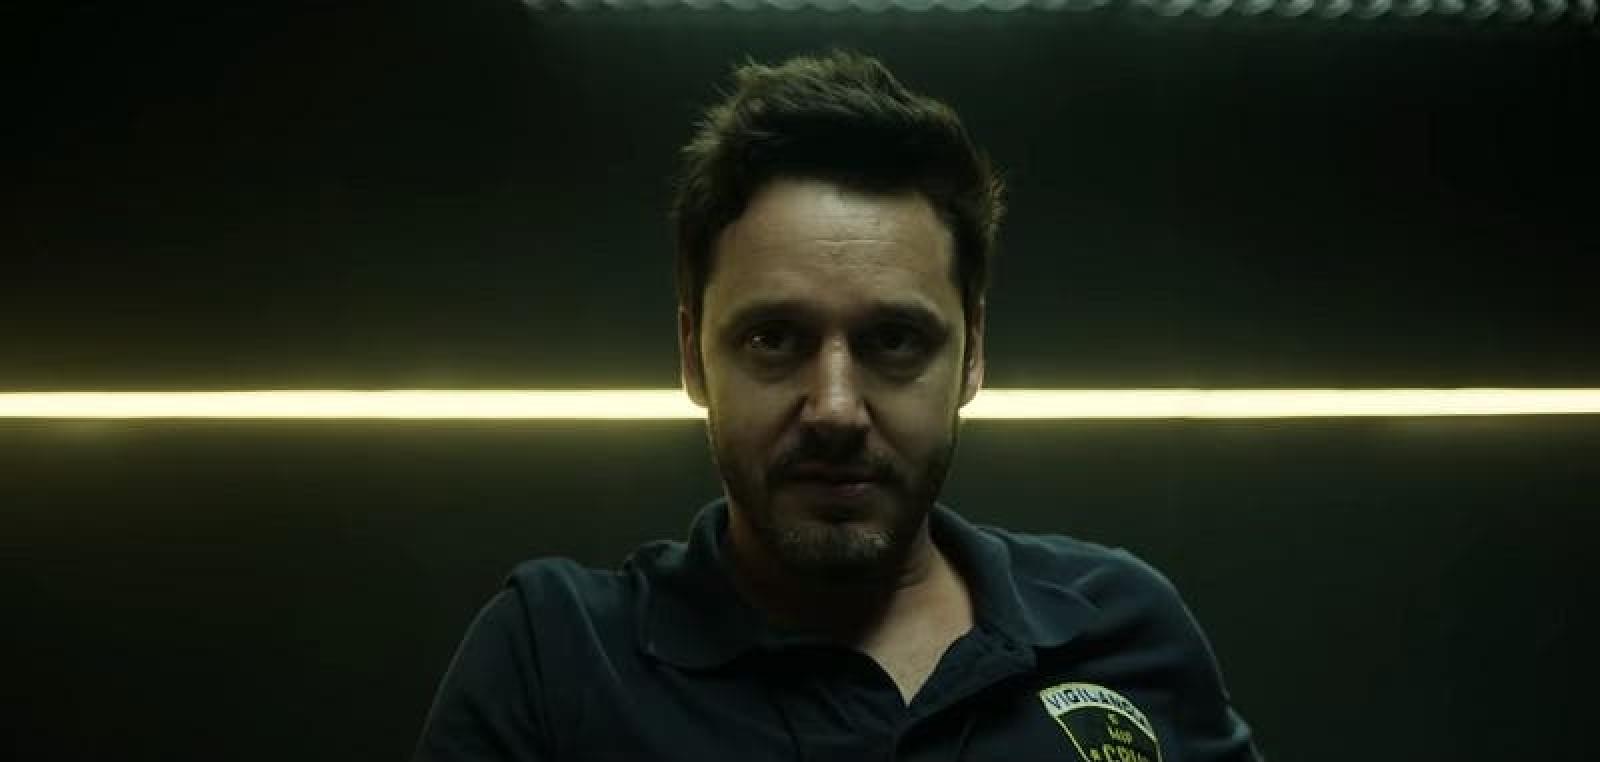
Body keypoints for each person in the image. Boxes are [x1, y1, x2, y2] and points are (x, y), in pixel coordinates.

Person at [415, 50, 1262, 762]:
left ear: (972, 352)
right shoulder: (555, 660)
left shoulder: (1124, 629)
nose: (834, 408)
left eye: (893, 340)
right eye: (773, 339)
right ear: (691, 354)